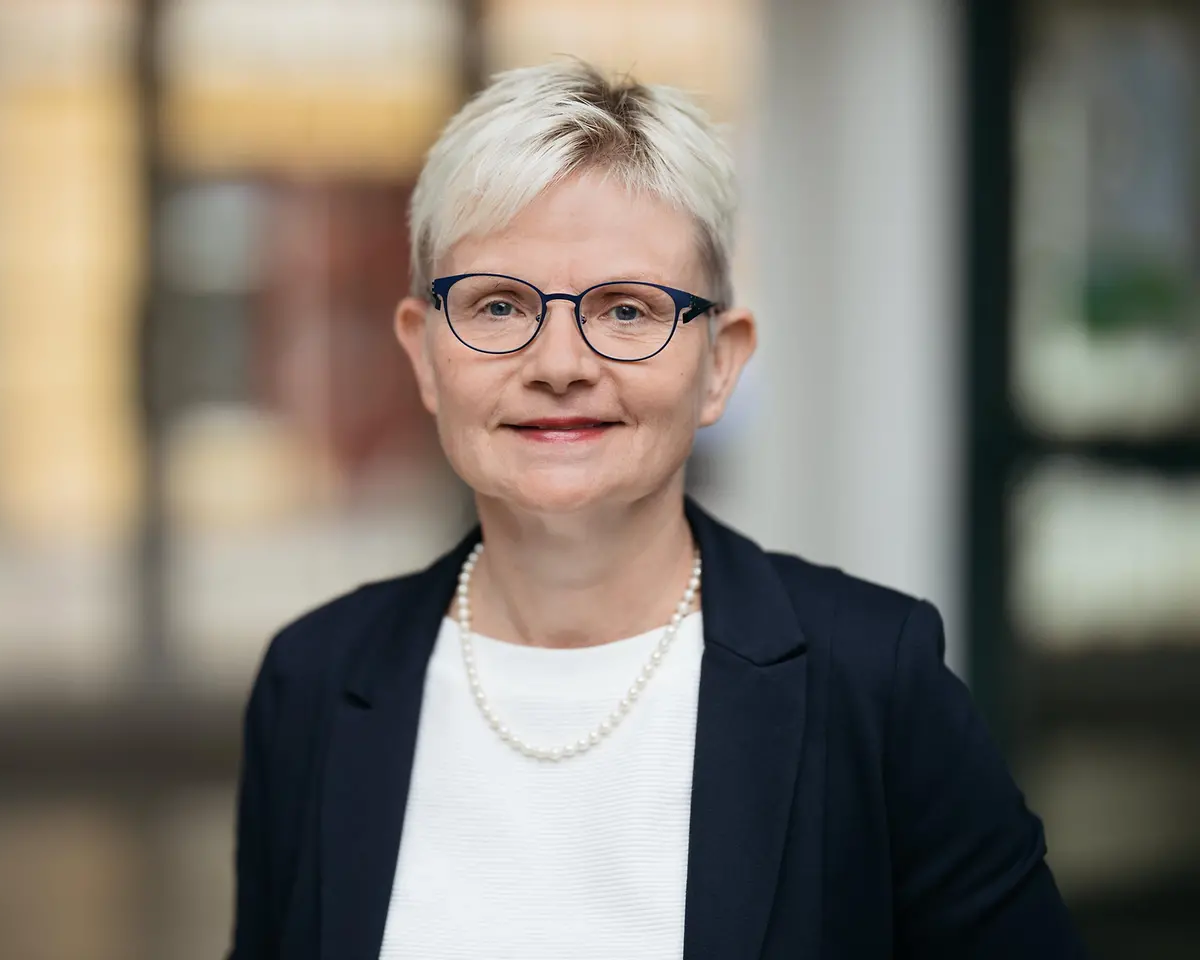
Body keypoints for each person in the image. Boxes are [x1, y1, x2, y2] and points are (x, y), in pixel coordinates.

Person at [227, 60, 1084, 960]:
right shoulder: (313, 681)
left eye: (627, 311)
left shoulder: (875, 684)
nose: (560, 364)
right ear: (423, 352)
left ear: (720, 362)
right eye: (499, 305)